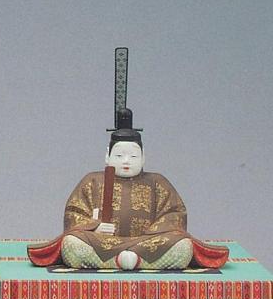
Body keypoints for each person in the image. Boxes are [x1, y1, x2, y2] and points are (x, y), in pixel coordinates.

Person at [27, 109, 229, 271]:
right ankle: (128, 260)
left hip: (147, 244)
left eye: (133, 156)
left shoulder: (157, 182)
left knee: (183, 245)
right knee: (72, 243)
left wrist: (150, 233)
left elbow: (175, 215)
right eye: (119, 156)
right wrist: (94, 227)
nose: (126, 161)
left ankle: (127, 259)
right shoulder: (92, 181)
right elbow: (74, 214)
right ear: (107, 155)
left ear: (143, 157)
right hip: (102, 242)